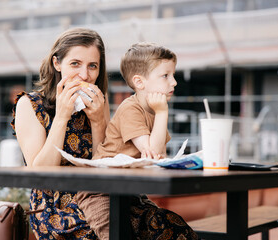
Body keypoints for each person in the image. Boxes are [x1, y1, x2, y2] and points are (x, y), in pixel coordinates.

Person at [76, 42, 198, 240]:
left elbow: (158, 157)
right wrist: (162, 112)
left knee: (176, 228)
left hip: (128, 192)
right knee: (115, 235)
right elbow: (152, 154)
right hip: (99, 191)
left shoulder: (153, 111)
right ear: (140, 82)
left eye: (173, 75)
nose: (174, 82)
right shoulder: (130, 109)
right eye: (165, 76)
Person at [11, 27, 110, 239]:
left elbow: (103, 166)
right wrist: (62, 116)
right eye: (75, 64)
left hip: (98, 199)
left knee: (169, 226)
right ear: (57, 64)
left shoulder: (99, 102)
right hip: (54, 209)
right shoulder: (29, 104)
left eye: (92, 66)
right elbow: (41, 176)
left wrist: (98, 122)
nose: (85, 75)